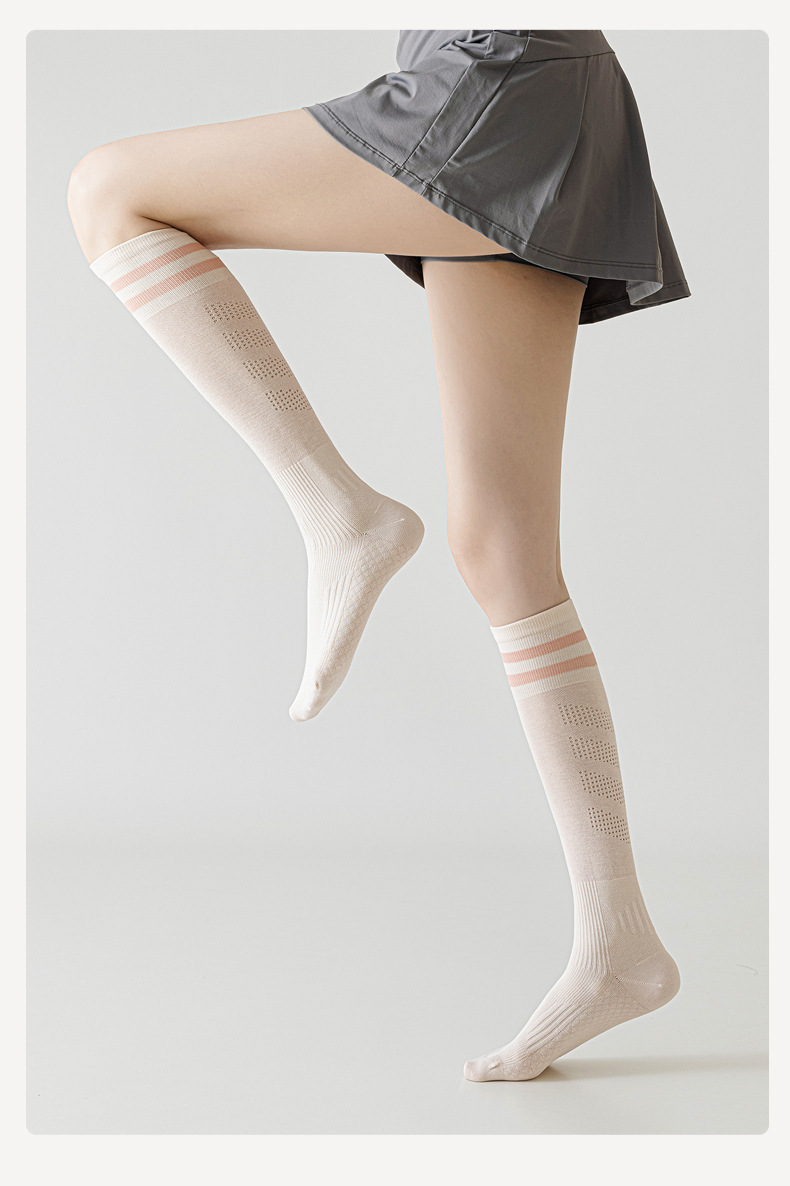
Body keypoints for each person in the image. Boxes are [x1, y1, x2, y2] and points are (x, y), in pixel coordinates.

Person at [66, 29, 688, 1082]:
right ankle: (617, 942)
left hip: (502, 75)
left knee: (110, 189)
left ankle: (336, 511)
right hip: (542, 88)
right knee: (502, 550)